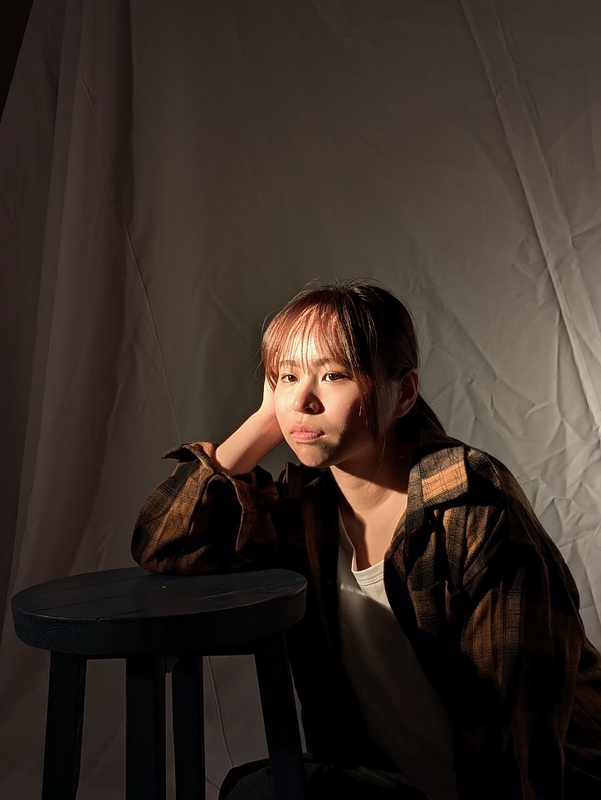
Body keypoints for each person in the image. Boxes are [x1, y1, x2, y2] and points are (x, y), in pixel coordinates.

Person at [132, 280, 601, 800]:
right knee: (254, 791)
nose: (303, 400)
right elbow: (164, 545)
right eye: (286, 376)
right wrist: (266, 419)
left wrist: (288, 394)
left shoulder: (469, 503)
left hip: (526, 787)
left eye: (334, 375)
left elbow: (518, 729)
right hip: (393, 784)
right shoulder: (308, 513)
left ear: (404, 393)